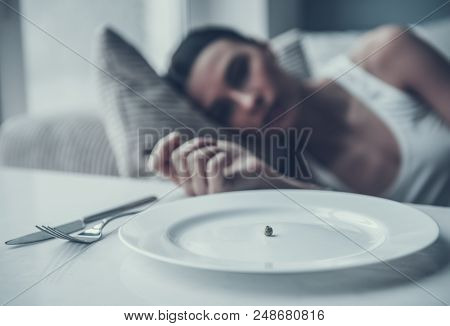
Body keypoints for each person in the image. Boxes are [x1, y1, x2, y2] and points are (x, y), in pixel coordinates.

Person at [148, 25, 450, 206]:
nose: (249, 100)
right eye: (224, 110)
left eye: (241, 72)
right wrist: (278, 186)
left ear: (265, 48)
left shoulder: (388, 53)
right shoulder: (277, 174)